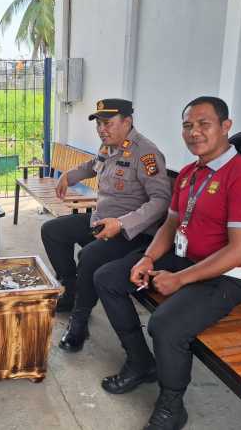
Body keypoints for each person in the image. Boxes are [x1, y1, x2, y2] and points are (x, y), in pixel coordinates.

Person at [94, 96, 241, 430]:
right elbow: (171, 224)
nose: (194, 132)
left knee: (165, 325)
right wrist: (147, 258)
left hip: (226, 277)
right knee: (108, 278)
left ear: (226, 127)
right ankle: (139, 362)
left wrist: (181, 279)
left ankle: (172, 406)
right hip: (183, 258)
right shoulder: (190, 172)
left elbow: (240, 252)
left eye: (204, 124)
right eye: (188, 125)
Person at [40, 99, 171, 352]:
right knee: (52, 231)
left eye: (108, 123)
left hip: (131, 233)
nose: (102, 129)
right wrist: (69, 176)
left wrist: (121, 223)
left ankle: (80, 319)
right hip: (100, 222)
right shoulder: (108, 146)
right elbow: (93, 165)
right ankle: (72, 289)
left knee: (88, 256)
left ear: (127, 122)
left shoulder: (146, 154)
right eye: (99, 124)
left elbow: (161, 201)